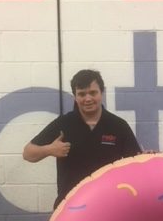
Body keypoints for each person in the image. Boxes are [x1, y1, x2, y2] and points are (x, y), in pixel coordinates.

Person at [23, 69, 141, 208]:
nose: (88, 99)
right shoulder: (64, 123)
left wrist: (149, 158)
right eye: (82, 94)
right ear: (75, 96)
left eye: (93, 93)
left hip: (109, 205)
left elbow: (136, 163)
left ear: (102, 93)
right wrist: (49, 150)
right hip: (70, 205)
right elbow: (28, 153)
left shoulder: (118, 125)